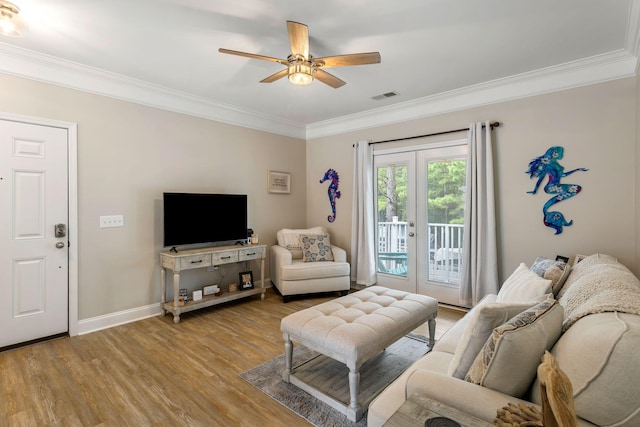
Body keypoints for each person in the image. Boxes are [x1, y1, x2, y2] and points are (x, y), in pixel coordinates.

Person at [526, 146, 588, 234]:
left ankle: (550, 214)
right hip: (551, 187)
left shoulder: (556, 164)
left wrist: (577, 169)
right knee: (575, 189)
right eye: (560, 153)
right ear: (554, 153)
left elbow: (563, 175)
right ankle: (549, 211)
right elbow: (541, 178)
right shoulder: (547, 164)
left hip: (556, 185)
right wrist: (535, 190)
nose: (561, 154)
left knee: (576, 188)